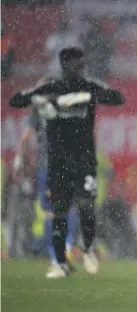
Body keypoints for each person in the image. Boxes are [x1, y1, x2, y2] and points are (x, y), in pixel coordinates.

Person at [9, 47, 124, 278]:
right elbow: (16, 100)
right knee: (58, 212)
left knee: (86, 206)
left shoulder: (89, 86)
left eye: (83, 65)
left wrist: (87, 97)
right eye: (76, 65)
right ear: (65, 65)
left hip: (85, 160)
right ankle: (60, 263)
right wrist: (40, 99)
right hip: (58, 162)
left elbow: (118, 98)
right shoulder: (51, 87)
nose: (81, 69)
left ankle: (88, 248)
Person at [13, 107, 80, 271]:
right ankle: (68, 247)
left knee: (50, 211)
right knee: (68, 208)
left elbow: (25, 137)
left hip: (47, 167)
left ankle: (55, 255)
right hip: (67, 165)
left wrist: (19, 159)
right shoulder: (67, 104)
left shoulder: (40, 108)